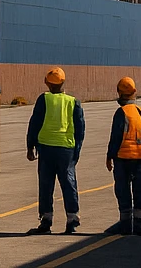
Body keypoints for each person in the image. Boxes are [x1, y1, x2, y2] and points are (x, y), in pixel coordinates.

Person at [26, 66, 86, 235]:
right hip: (66, 149)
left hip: (46, 148)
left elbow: (35, 123)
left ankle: (46, 220)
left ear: (47, 83)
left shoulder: (43, 99)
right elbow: (80, 129)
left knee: (46, 185)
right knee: (68, 183)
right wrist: (77, 151)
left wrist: (30, 146)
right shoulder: (73, 102)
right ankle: (72, 219)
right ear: (63, 83)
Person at [105, 76, 141, 236]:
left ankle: (125, 226)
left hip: (123, 157)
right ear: (134, 92)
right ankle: (140, 225)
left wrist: (109, 156)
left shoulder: (121, 112)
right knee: (139, 190)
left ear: (119, 93)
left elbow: (116, 137)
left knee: (123, 190)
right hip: (140, 157)